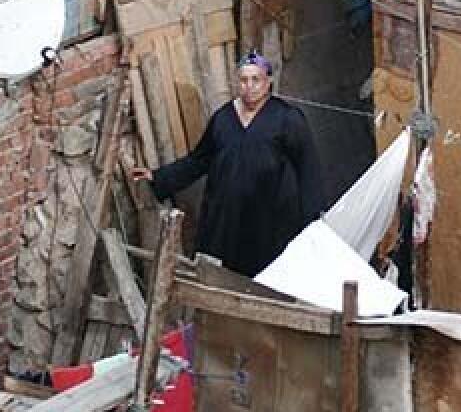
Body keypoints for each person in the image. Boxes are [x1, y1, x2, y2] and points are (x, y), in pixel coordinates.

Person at [131, 51, 326, 277]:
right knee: (223, 275)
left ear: (268, 82)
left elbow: (308, 169)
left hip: (269, 221)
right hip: (226, 219)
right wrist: (158, 177)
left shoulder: (287, 119)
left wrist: (313, 219)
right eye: (244, 80)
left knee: (267, 278)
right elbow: (198, 161)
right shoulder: (223, 119)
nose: (249, 86)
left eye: (256, 80)